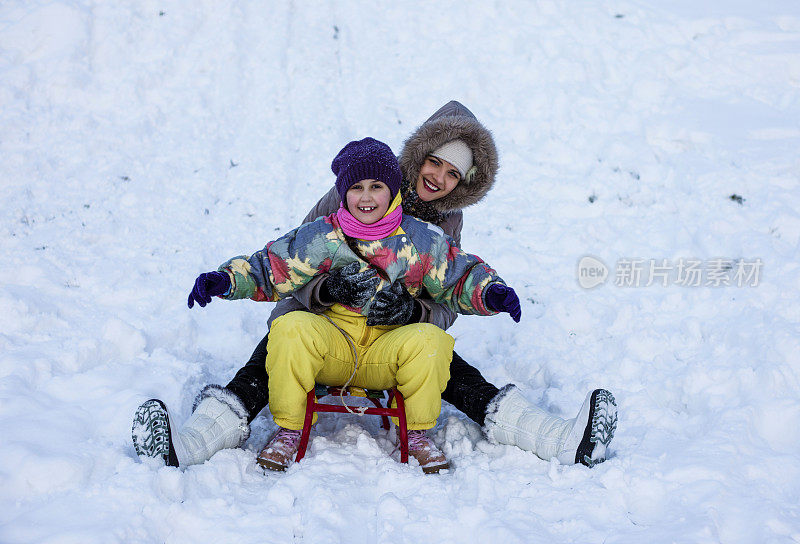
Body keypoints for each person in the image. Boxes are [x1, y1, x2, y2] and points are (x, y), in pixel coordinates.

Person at [132, 101, 617, 470]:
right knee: (273, 355)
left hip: (392, 338)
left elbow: (452, 282)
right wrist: (320, 291)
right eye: (435, 163)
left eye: (454, 174)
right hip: (320, 324)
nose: (440, 178)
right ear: (418, 154)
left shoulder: (440, 227)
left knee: (440, 355)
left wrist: (416, 312)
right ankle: (189, 443)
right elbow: (284, 265)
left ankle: (556, 439)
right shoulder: (360, 184)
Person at [179, 137, 520, 472]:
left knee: (432, 342)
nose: (367, 197)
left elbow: (458, 276)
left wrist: (491, 293)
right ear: (343, 193)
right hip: (332, 345)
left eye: (377, 186)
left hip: (387, 350)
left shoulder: (421, 239)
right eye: (357, 187)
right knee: (290, 328)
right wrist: (225, 280)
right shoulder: (322, 235)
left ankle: (416, 434)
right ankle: (289, 429)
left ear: (393, 190)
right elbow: (272, 268)